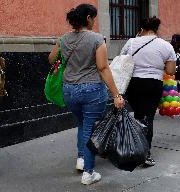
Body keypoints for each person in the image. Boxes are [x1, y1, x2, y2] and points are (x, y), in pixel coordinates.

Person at [48, 4, 124, 185]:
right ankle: (88, 173)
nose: (94, 21)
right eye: (94, 18)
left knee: (83, 123)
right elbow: (103, 67)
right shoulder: (97, 39)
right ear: (88, 18)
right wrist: (116, 94)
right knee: (90, 128)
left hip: (69, 90)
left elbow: (51, 59)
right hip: (91, 90)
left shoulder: (64, 39)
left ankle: (81, 158)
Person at [120, 17, 176, 166]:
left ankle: (133, 149)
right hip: (153, 83)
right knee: (147, 118)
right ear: (157, 29)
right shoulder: (166, 45)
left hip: (133, 83)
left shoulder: (131, 42)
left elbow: (122, 60)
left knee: (138, 115)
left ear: (141, 28)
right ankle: (144, 154)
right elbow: (170, 71)